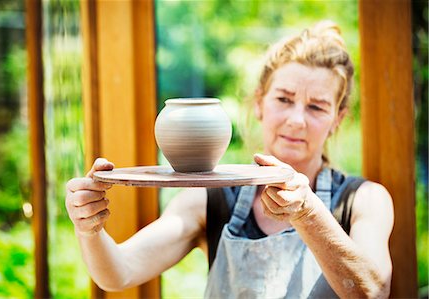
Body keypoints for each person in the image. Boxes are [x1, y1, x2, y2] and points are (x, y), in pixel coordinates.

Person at [65, 20, 394, 298]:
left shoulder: (364, 200)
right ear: (259, 104)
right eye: (284, 99)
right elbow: (119, 272)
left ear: (338, 118)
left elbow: (373, 291)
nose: (297, 120)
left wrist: (308, 212)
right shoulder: (210, 198)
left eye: (317, 106)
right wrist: (89, 229)